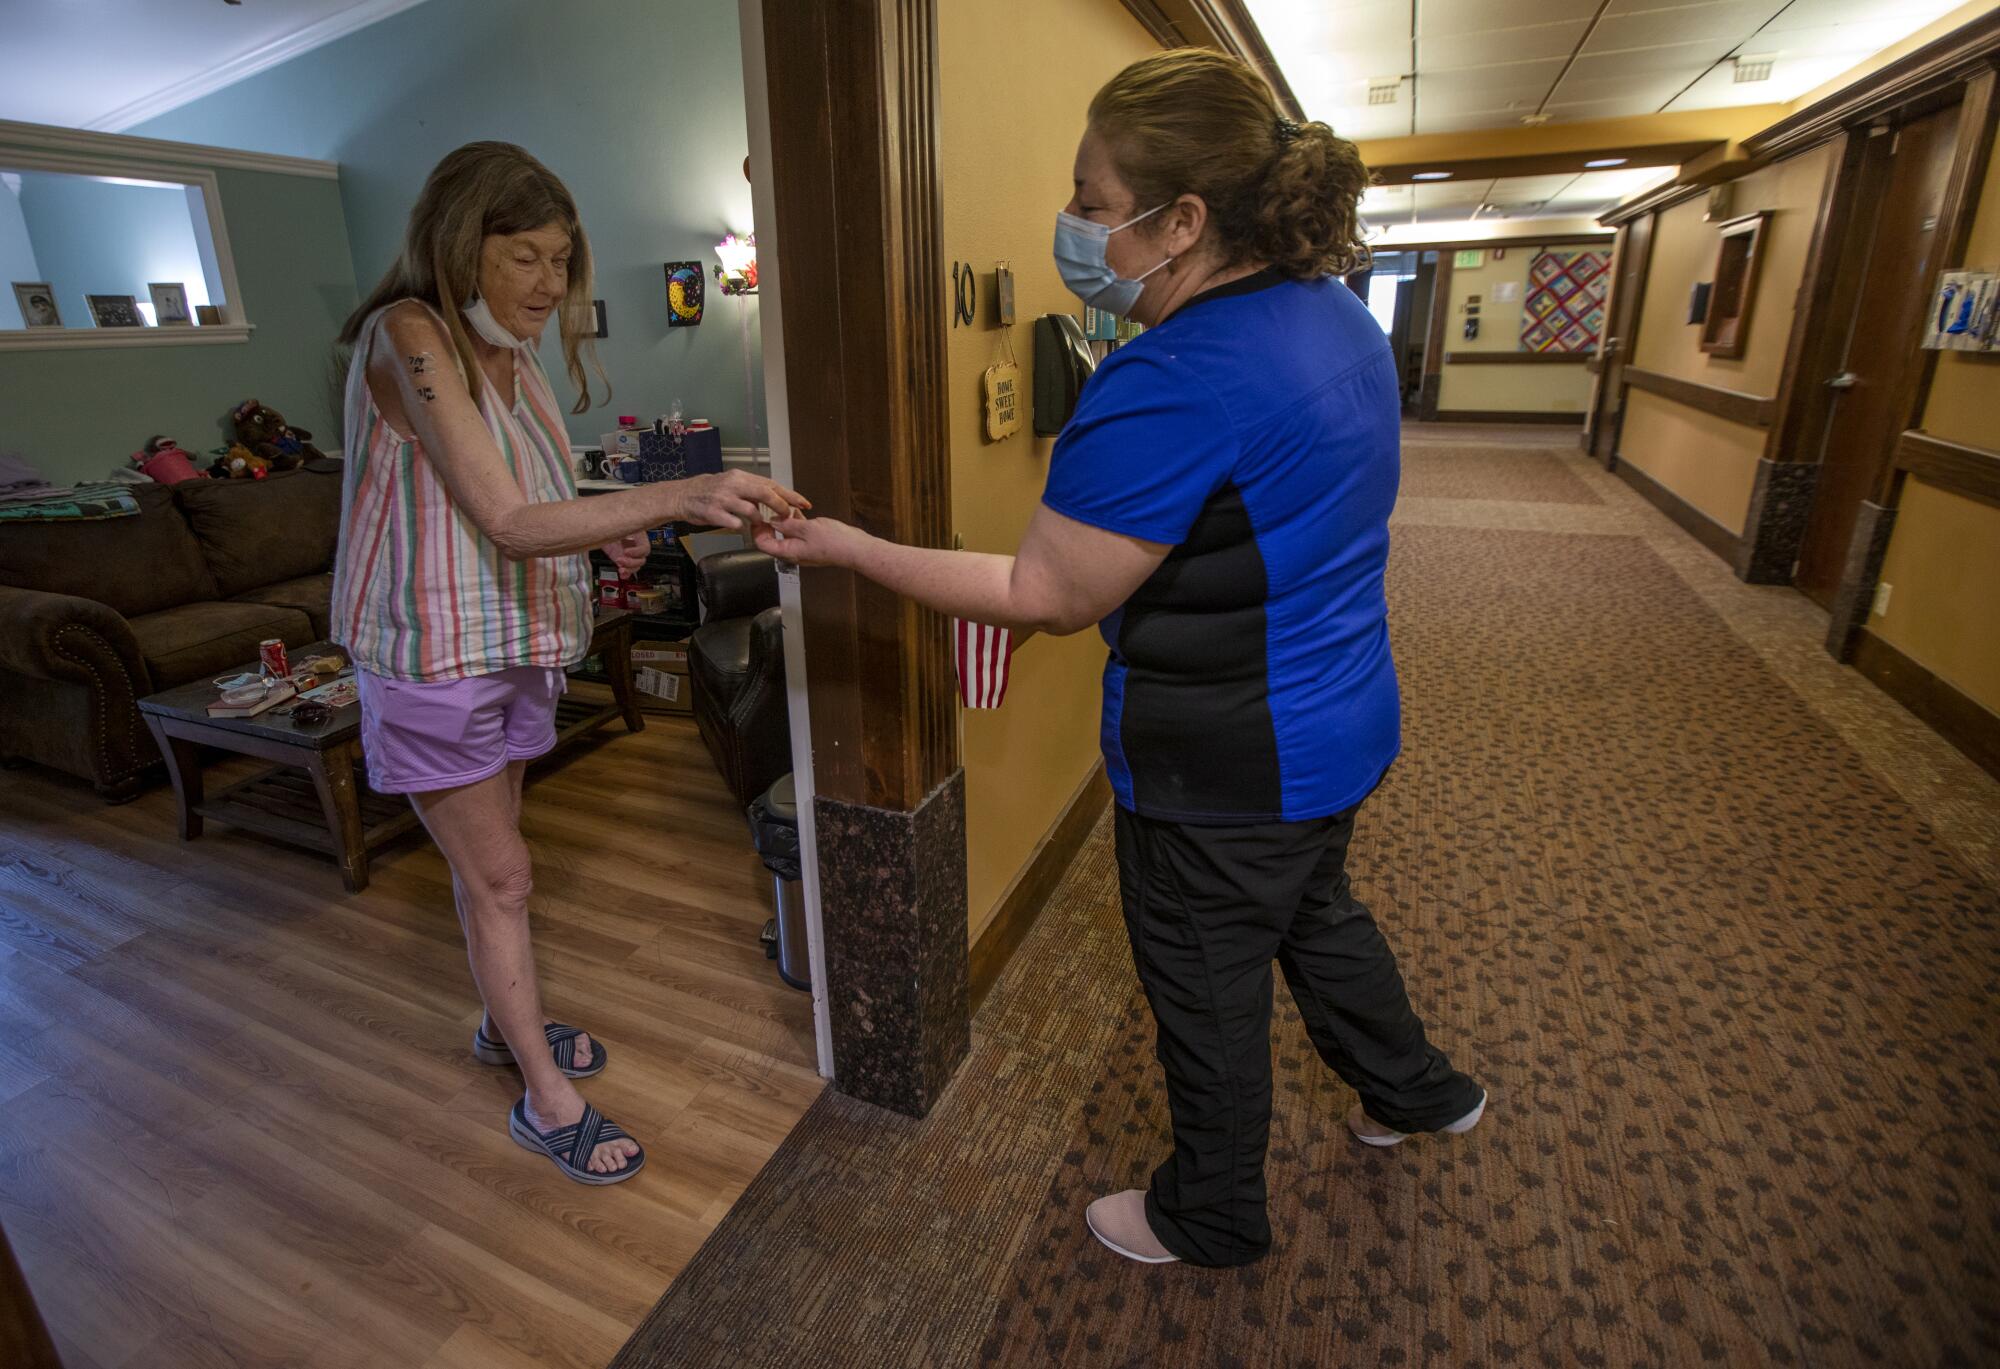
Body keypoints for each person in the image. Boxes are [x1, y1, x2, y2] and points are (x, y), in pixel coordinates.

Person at [757, 51, 1483, 1265]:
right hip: (1340, 715)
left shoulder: (1174, 376)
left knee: (1205, 989)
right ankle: (1418, 1091)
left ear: (1182, 219)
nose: (1076, 227)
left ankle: (1209, 1214)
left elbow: (1040, 593)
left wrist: (849, 547)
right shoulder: (1334, 317)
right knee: (1316, 914)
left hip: (1225, 761)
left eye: (1093, 204)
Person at [332, 142, 807, 1185]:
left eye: (559, 258)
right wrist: (674, 499)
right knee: (502, 875)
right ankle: (546, 1101)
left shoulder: (514, 353)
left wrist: (600, 530)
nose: (549, 282)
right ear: (462, 244)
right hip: (434, 656)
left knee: (486, 870)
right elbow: (502, 519)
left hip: (509, 642)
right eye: (523, 256)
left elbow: (528, 500)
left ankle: (510, 1027)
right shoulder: (409, 335)